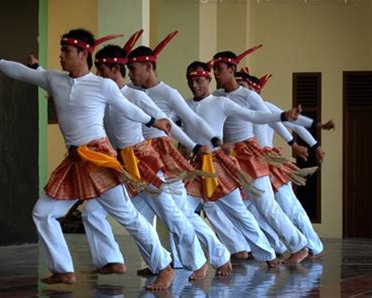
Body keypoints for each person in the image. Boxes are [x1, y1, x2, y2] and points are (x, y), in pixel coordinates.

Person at [0, 28, 175, 290]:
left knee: (128, 217)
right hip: (75, 161)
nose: (61, 56)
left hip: (99, 159)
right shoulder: (54, 79)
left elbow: (129, 109)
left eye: (66, 51)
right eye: (61, 50)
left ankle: (165, 267)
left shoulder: (103, 85)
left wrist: (154, 120)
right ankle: (63, 270)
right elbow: (21, 72)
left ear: (83, 53)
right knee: (43, 213)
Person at [127, 32, 232, 276]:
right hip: (139, 155)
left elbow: (190, 119)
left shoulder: (168, 93)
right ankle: (159, 263)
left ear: (149, 67)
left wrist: (212, 140)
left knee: (180, 213)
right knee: (140, 215)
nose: (130, 73)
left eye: (133, 68)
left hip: (161, 155)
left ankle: (214, 256)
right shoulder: (132, 90)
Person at [210, 46, 309, 263]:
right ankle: (247, 248)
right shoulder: (216, 96)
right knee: (215, 201)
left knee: (265, 205)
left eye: (219, 69)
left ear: (232, 69)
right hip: (225, 156)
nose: (215, 74)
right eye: (213, 69)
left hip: (248, 153)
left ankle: (299, 244)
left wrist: (289, 129)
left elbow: (265, 117)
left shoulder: (248, 96)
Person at [236, 69, 334, 257]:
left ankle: (313, 244)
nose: (242, 91)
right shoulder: (233, 107)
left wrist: (313, 144)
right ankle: (277, 247)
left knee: (289, 207)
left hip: (270, 162)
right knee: (253, 209)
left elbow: (292, 123)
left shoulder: (264, 106)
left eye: (244, 87)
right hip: (245, 164)